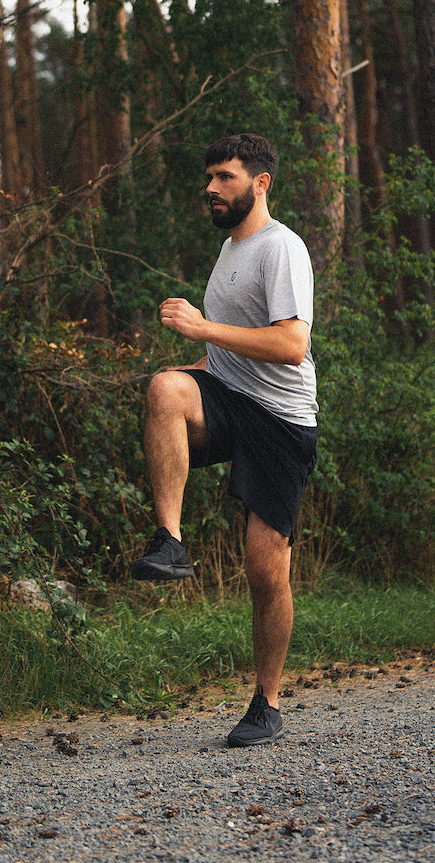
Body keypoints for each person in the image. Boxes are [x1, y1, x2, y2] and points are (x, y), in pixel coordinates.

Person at [131, 133, 318, 748]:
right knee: (164, 388)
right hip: (231, 397)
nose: (211, 188)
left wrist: (202, 326)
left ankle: (266, 703)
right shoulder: (228, 249)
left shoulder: (281, 248)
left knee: (265, 572)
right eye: (209, 177)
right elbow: (225, 350)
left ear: (260, 183)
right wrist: (194, 368)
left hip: (280, 419)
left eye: (225, 178)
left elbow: (291, 345)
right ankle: (170, 542)